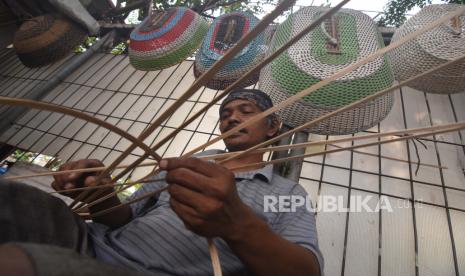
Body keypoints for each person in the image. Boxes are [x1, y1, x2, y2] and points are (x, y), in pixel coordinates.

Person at [0, 89, 323, 276]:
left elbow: (306, 271)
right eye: (225, 113)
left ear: (272, 127)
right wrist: (101, 195)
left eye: (245, 111)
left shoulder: (288, 192)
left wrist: (237, 224)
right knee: (12, 199)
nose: (232, 118)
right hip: (90, 240)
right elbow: (123, 217)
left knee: (18, 264)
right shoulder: (195, 159)